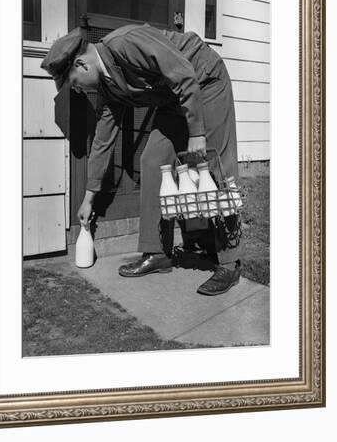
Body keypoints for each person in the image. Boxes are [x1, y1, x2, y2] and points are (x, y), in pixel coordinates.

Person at [41, 22, 242, 296]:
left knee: (214, 163)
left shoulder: (128, 42)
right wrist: (89, 198)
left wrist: (197, 133)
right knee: (152, 160)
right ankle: (158, 252)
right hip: (172, 99)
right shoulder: (108, 86)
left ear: (82, 65)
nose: (78, 90)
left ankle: (229, 262)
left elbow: (183, 74)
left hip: (204, 81)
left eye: (74, 84)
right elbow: (103, 139)